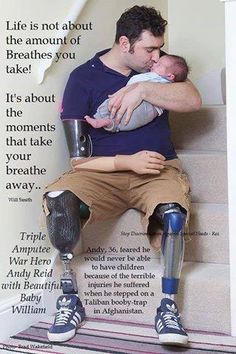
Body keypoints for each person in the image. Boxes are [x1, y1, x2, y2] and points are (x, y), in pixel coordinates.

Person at [43, 5, 201, 346]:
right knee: (60, 201)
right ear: (125, 43)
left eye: (160, 48)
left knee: (172, 215)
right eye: (150, 49)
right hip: (104, 173)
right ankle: (69, 297)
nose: (157, 55)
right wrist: (127, 161)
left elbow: (192, 100)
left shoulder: (158, 73)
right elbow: (78, 163)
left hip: (157, 170)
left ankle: (168, 306)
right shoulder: (82, 79)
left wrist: (143, 90)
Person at [85, 54, 189, 132]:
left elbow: (191, 100)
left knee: (131, 119)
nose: (155, 62)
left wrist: (140, 89)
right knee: (110, 103)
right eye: (149, 50)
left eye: (159, 64)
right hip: (132, 100)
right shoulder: (152, 73)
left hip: (149, 107)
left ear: (170, 76)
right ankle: (101, 119)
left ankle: (109, 123)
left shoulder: (165, 82)